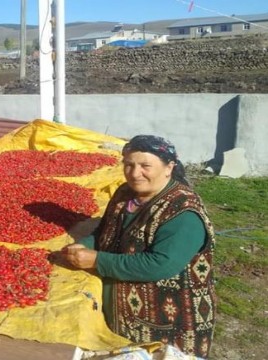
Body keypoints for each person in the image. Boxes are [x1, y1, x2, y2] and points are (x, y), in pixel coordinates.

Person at [54, 135, 216, 358]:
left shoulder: (183, 213)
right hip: (125, 315)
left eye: (145, 166)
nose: (134, 173)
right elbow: (105, 231)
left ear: (169, 167)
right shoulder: (125, 193)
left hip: (166, 323)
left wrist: (97, 260)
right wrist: (82, 246)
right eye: (128, 165)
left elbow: (160, 264)